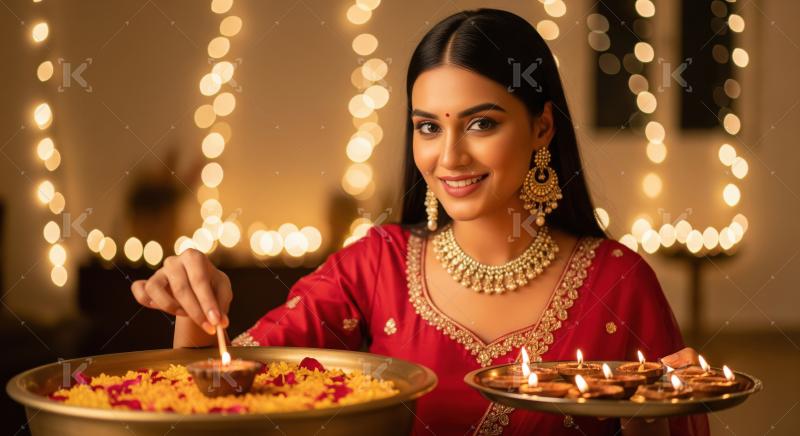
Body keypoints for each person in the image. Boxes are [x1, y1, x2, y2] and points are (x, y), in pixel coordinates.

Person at [131, 8, 710, 435]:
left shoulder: (617, 283)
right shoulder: (374, 267)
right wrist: (196, 311)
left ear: (542, 127)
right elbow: (222, 399)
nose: (449, 157)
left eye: (482, 124)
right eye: (428, 126)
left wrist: (652, 422)